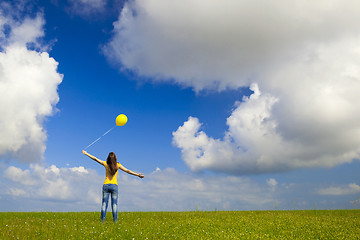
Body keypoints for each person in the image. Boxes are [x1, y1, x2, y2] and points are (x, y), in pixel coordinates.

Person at [82, 150, 144, 222]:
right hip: (114, 186)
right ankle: (115, 221)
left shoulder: (106, 164)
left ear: (108, 158)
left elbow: (95, 159)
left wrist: (86, 153)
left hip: (106, 185)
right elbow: (127, 171)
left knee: (104, 204)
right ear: (115, 158)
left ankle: (102, 221)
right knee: (114, 205)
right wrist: (137, 175)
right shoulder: (118, 165)